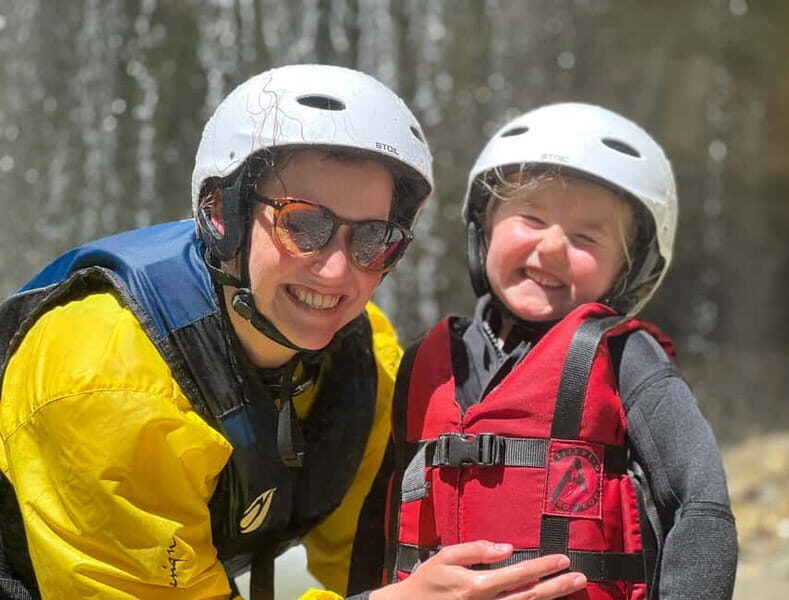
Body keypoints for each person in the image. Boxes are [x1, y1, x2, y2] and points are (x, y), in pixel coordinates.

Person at [0, 65, 587, 600]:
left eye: (373, 238)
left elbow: (369, 563)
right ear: (220, 214)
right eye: (303, 225)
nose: (336, 272)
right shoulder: (106, 382)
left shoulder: (365, 355)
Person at [382, 103, 738, 599]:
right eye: (531, 218)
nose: (551, 247)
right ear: (484, 227)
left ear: (628, 269)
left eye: (585, 237)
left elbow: (700, 506)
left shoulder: (627, 358)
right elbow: (379, 522)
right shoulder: (426, 362)